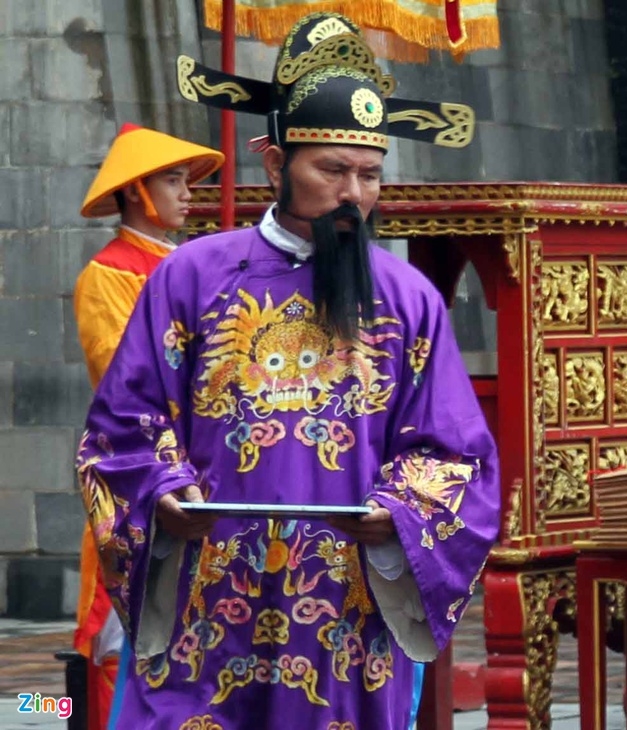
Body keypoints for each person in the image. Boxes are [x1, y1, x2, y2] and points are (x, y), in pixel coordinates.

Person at [75, 17, 498, 729]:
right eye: (331, 170)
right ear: (275, 166)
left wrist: (399, 513)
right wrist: (162, 492)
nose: (353, 195)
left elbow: (454, 454)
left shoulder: (408, 300)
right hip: (207, 606)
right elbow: (124, 425)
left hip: (345, 610)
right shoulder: (193, 278)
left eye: (369, 174)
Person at [73, 122, 223, 730]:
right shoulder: (107, 276)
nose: (187, 193)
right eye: (171, 180)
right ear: (137, 191)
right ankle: (60, 713)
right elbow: (126, 384)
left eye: (187, 181)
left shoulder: (200, 263)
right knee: (116, 634)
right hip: (139, 474)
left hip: (213, 471)